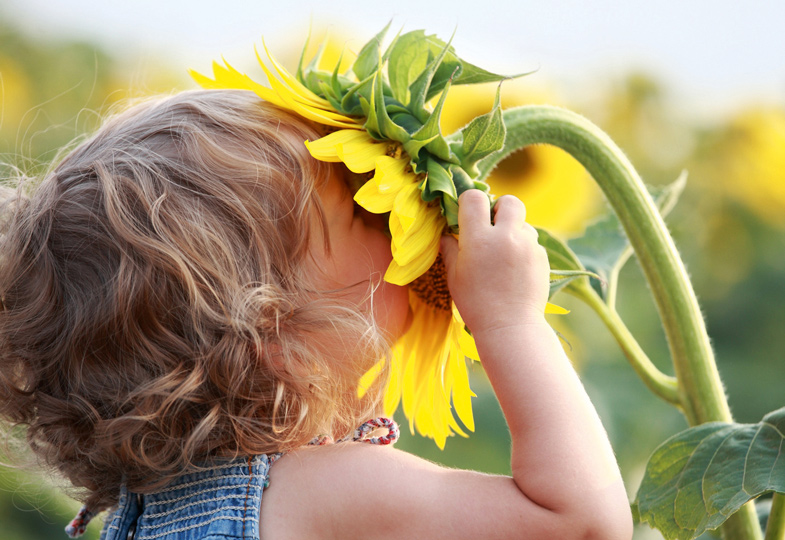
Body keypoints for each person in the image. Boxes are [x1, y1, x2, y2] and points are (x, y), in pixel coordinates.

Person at [0, 89, 632, 540]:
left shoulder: (148, 509)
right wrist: (510, 321)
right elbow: (580, 523)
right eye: (364, 211)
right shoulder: (322, 494)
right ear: (274, 336)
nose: (396, 229)